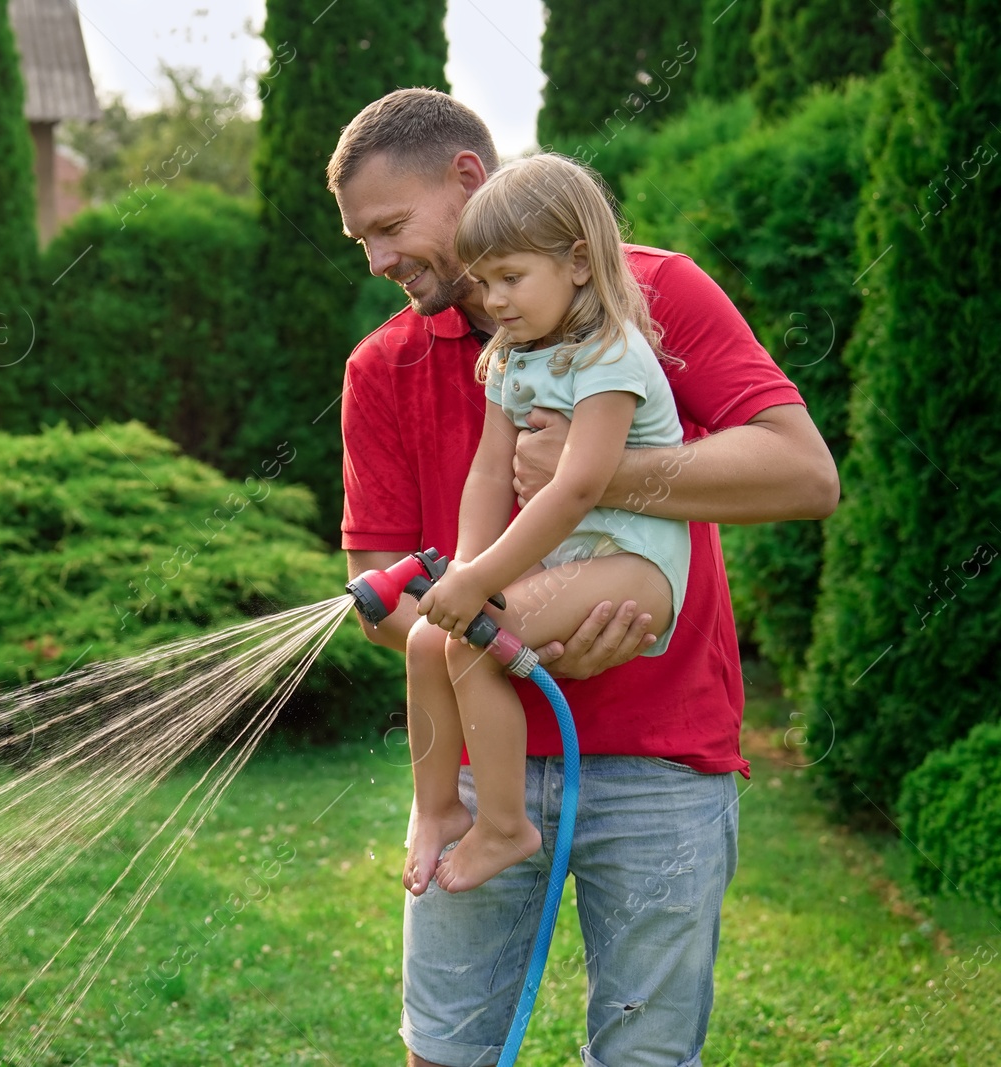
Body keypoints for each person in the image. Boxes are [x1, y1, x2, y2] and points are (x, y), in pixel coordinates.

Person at [330, 89, 838, 1067]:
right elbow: (381, 591)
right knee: (446, 1049)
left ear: (467, 181)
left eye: (389, 227)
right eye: (360, 240)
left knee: (645, 1055)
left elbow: (805, 473)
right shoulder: (383, 369)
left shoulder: (648, 302)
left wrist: (597, 472)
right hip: (482, 763)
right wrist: (502, 633)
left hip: (661, 758)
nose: (377, 260)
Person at [408, 153, 692, 895]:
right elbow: (487, 471)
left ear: (574, 260)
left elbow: (574, 490)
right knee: (425, 638)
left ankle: (505, 825)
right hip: (579, 556)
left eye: (511, 278)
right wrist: (465, 568)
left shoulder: (610, 353)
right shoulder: (513, 358)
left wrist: (481, 583)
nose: (493, 299)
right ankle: (436, 805)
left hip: (635, 559)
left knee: (470, 645)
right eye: (484, 280)